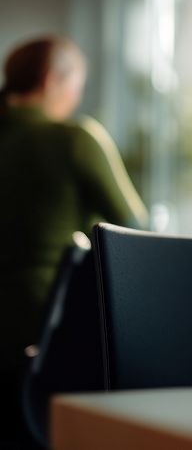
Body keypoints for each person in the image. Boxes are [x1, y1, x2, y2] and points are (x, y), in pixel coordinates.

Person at [0, 35, 148, 445]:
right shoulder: (74, 138)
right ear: (51, 81)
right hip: (46, 331)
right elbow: (136, 226)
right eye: (75, 86)